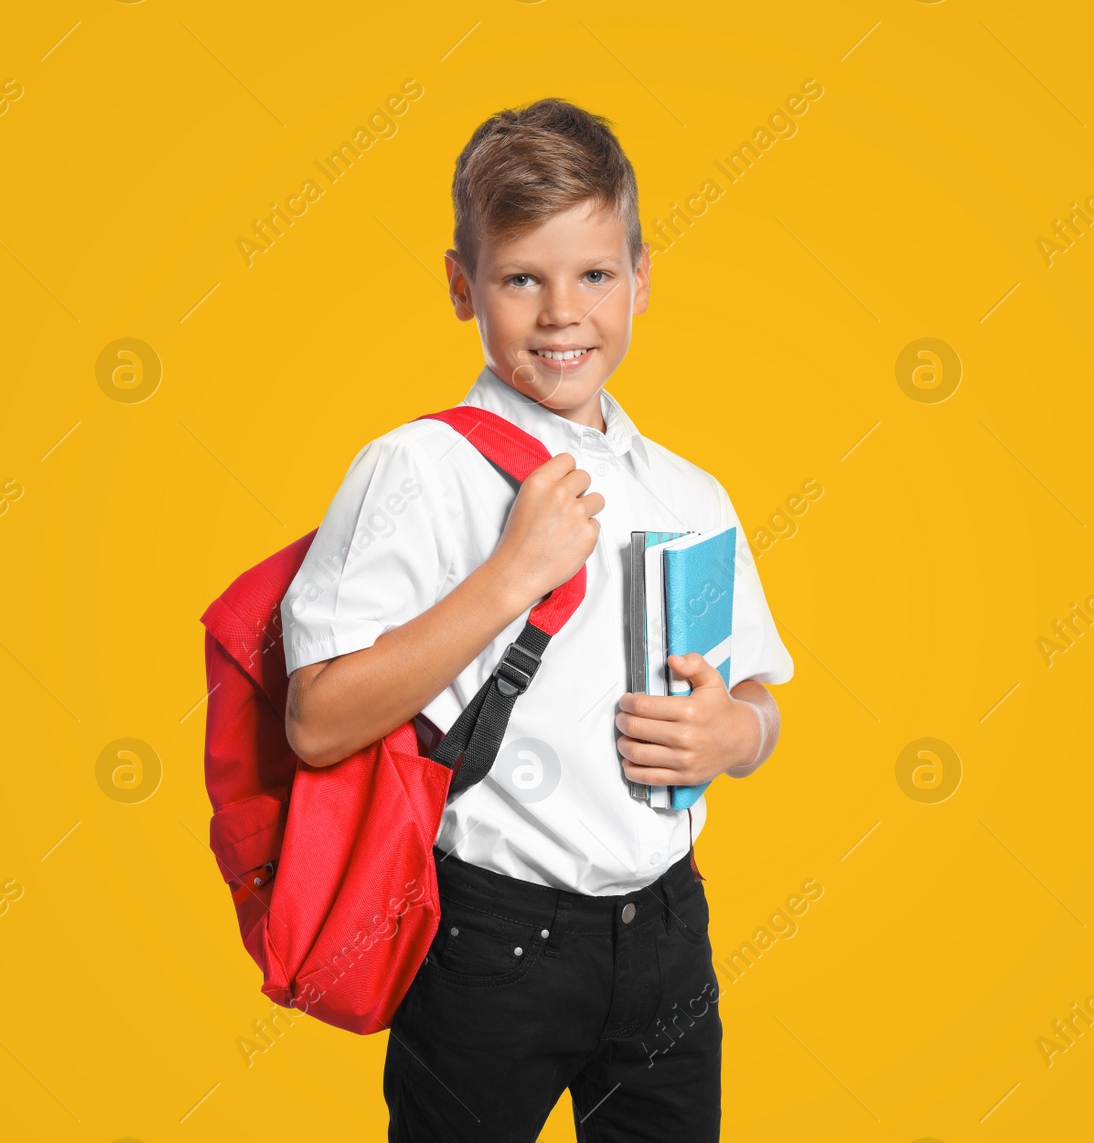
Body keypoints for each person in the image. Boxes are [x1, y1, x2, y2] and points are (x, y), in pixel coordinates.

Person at [278, 97, 795, 1142]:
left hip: (666, 935)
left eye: (595, 276)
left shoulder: (690, 491)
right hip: (490, 943)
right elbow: (316, 720)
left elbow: (756, 696)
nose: (563, 315)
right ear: (463, 288)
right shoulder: (417, 470)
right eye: (522, 279)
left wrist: (737, 732)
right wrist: (507, 577)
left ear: (641, 279)